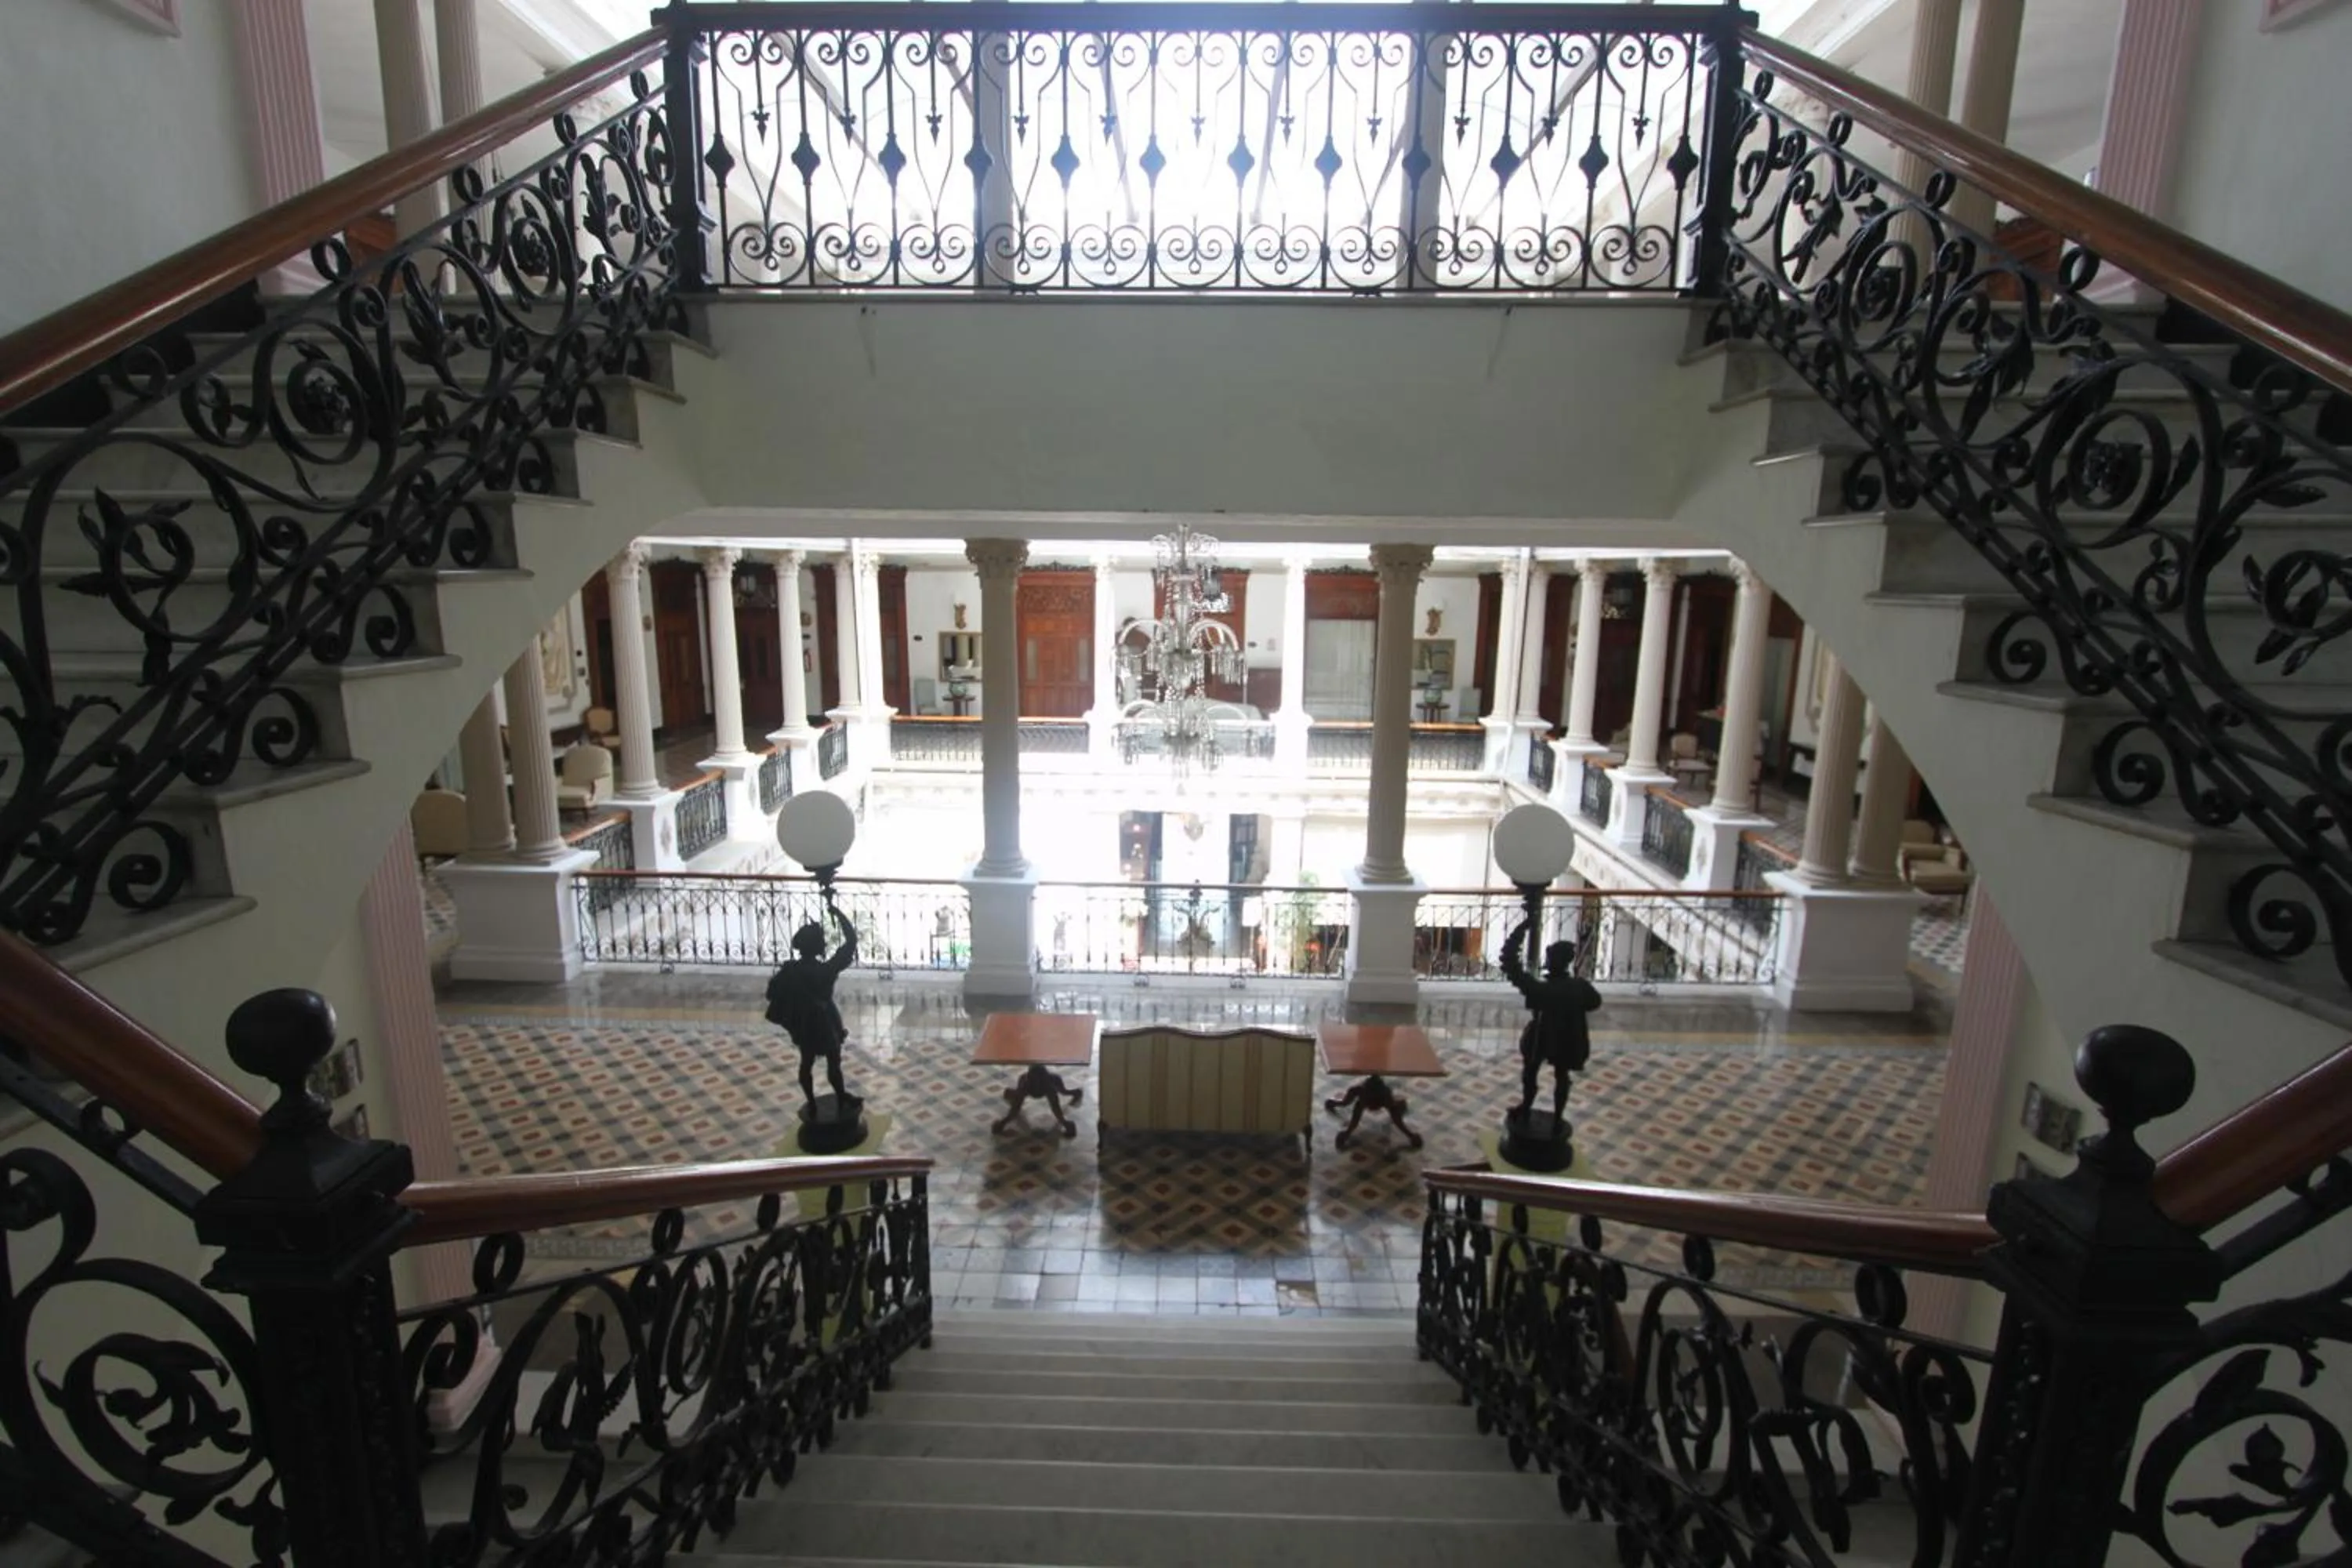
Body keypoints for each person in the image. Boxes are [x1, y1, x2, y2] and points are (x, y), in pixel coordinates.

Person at [1498, 905, 1603, 1125]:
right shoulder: (1580, 987)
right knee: (1562, 1077)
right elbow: (1594, 1003)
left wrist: (1523, 927)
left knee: (1530, 1073)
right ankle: (1557, 1118)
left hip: (1542, 1036)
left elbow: (1509, 961)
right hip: (1568, 1038)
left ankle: (1527, 1107)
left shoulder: (1541, 989)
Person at [764, 900, 859, 1112]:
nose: (825, 943)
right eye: (822, 940)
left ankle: (812, 1103)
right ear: (816, 946)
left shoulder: (790, 969)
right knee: (833, 1061)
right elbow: (851, 941)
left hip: (805, 1022)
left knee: (806, 1061)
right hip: (825, 1020)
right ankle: (841, 1096)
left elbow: (771, 993)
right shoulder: (825, 971)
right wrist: (839, 914)